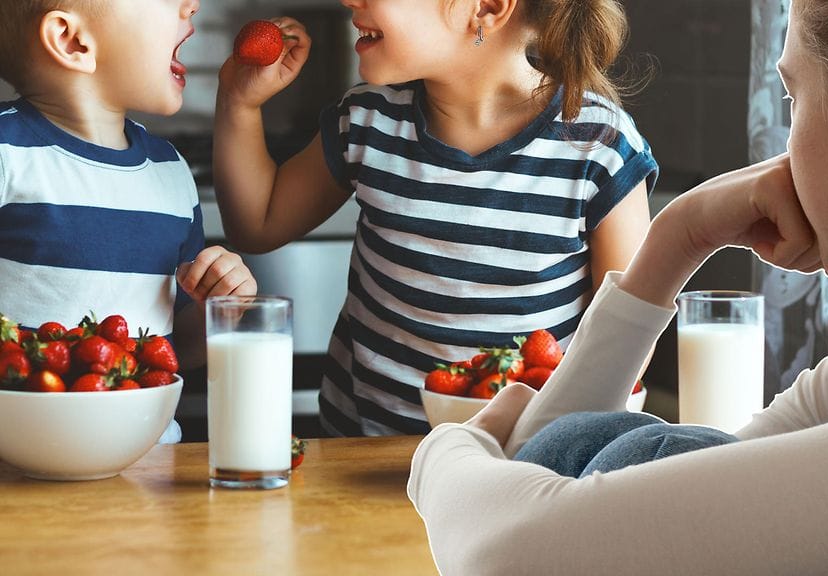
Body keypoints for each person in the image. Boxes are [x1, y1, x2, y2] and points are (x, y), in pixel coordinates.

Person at [406, 0, 828, 573]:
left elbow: (517, 551)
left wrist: (447, 450)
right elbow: (575, 479)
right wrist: (679, 238)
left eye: (792, 97)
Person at [213, 0, 658, 436]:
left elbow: (625, 341)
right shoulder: (369, 120)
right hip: (361, 455)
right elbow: (257, 223)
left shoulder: (600, 147)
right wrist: (240, 103)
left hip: (515, 462)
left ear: (486, 8)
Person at [0, 0, 257, 440]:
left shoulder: (169, 172)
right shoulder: (8, 154)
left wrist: (221, 308)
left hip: (150, 464)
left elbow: (180, 349)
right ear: (72, 40)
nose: (191, 5)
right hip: (20, 472)